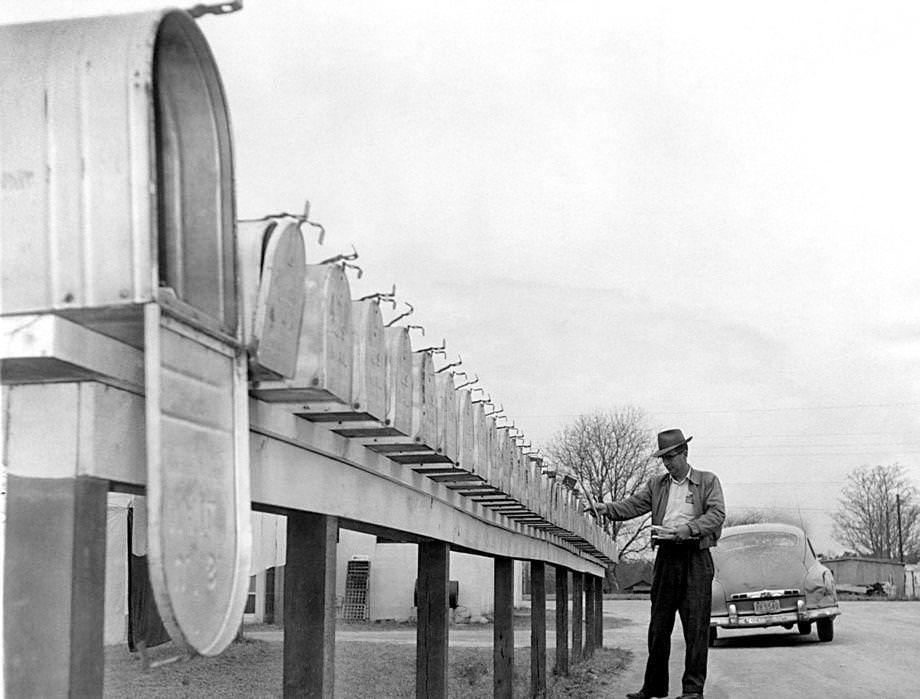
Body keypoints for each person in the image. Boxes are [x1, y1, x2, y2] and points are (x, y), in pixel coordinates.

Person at [586, 429, 725, 699]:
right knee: (659, 626)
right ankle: (654, 686)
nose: (667, 463)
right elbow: (631, 506)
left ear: (685, 453)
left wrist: (688, 529)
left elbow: (717, 514)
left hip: (696, 556)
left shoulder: (707, 481)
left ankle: (693, 690)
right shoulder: (657, 485)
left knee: (696, 627)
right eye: (663, 459)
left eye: (671, 457)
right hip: (666, 558)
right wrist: (607, 508)